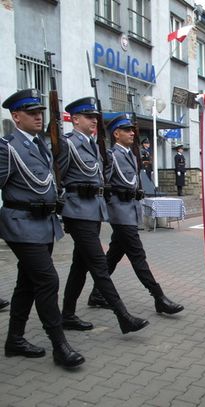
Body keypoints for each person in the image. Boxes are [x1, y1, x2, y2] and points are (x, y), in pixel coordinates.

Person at [0, 89, 84, 367]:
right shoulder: (7, 147)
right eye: (32, 113)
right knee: (47, 280)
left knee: (28, 282)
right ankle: (59, 344)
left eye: (40, 113)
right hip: (20, 224)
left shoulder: (40, 145)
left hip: (43, 224)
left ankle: (15, 339)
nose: (38, 117)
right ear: (16, 117)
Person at [58, 97, 149, 334]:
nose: (94, 121)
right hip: (77, 212)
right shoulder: (67, 144)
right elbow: (58, 178)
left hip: (92, 212)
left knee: (80, 265)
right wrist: (60, 210)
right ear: (75, 119)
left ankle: (67, 314)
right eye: (89, 117)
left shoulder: (92, 145)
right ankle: (123, 316)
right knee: (99, 264)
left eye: (95, 117)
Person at [86, 114, 184, 315]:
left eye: (132, 129)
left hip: (130, 210)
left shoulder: (131, 154)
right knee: (137, 255)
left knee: (114, 254)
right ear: (116, 134)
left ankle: (97, 293)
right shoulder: (111, 155)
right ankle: (158, 297)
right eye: (127, 130)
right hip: (119, 212)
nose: (132, 133)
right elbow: (103, 183)